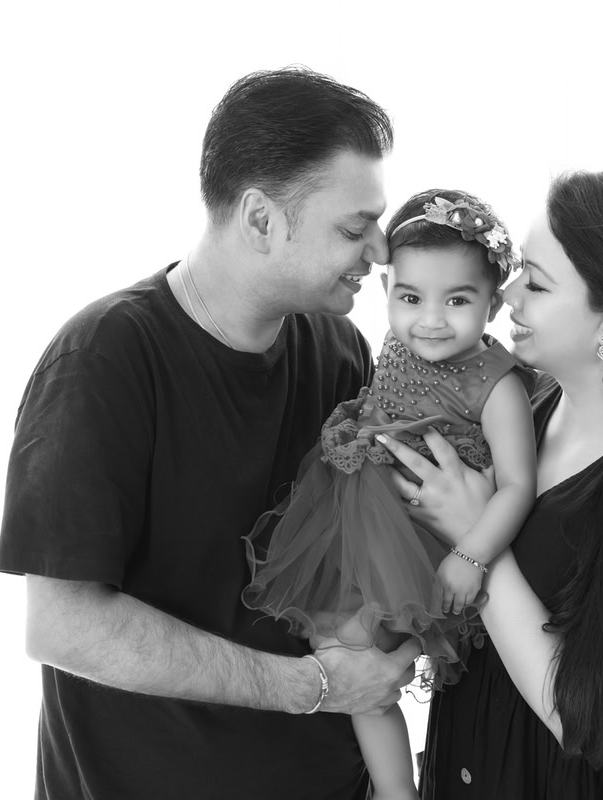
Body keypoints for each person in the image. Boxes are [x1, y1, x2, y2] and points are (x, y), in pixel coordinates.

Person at [0, 68, 422, 800]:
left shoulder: (340, 349)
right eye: (354, 228)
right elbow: (62, 624)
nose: (381, 252)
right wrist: (308, 686)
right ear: (260, 220)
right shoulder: (103, 361)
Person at [377, 171, 603, 798]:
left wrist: (479, 546)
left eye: (539, 284)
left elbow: (582, 715)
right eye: (520, 269)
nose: (510, 294)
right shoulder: (526, 407)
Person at [243, 190, 536, 799]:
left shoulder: (498, 384)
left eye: (457, 300)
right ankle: (393, 789)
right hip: (354, 516)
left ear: (492, 301)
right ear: (387, 294)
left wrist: (471, 554)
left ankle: (398, 790)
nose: (430, 319)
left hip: (424, 535)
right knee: (338, 646)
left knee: (360, 648)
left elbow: (517, 486)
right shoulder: (397, 343)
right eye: (410, 298)